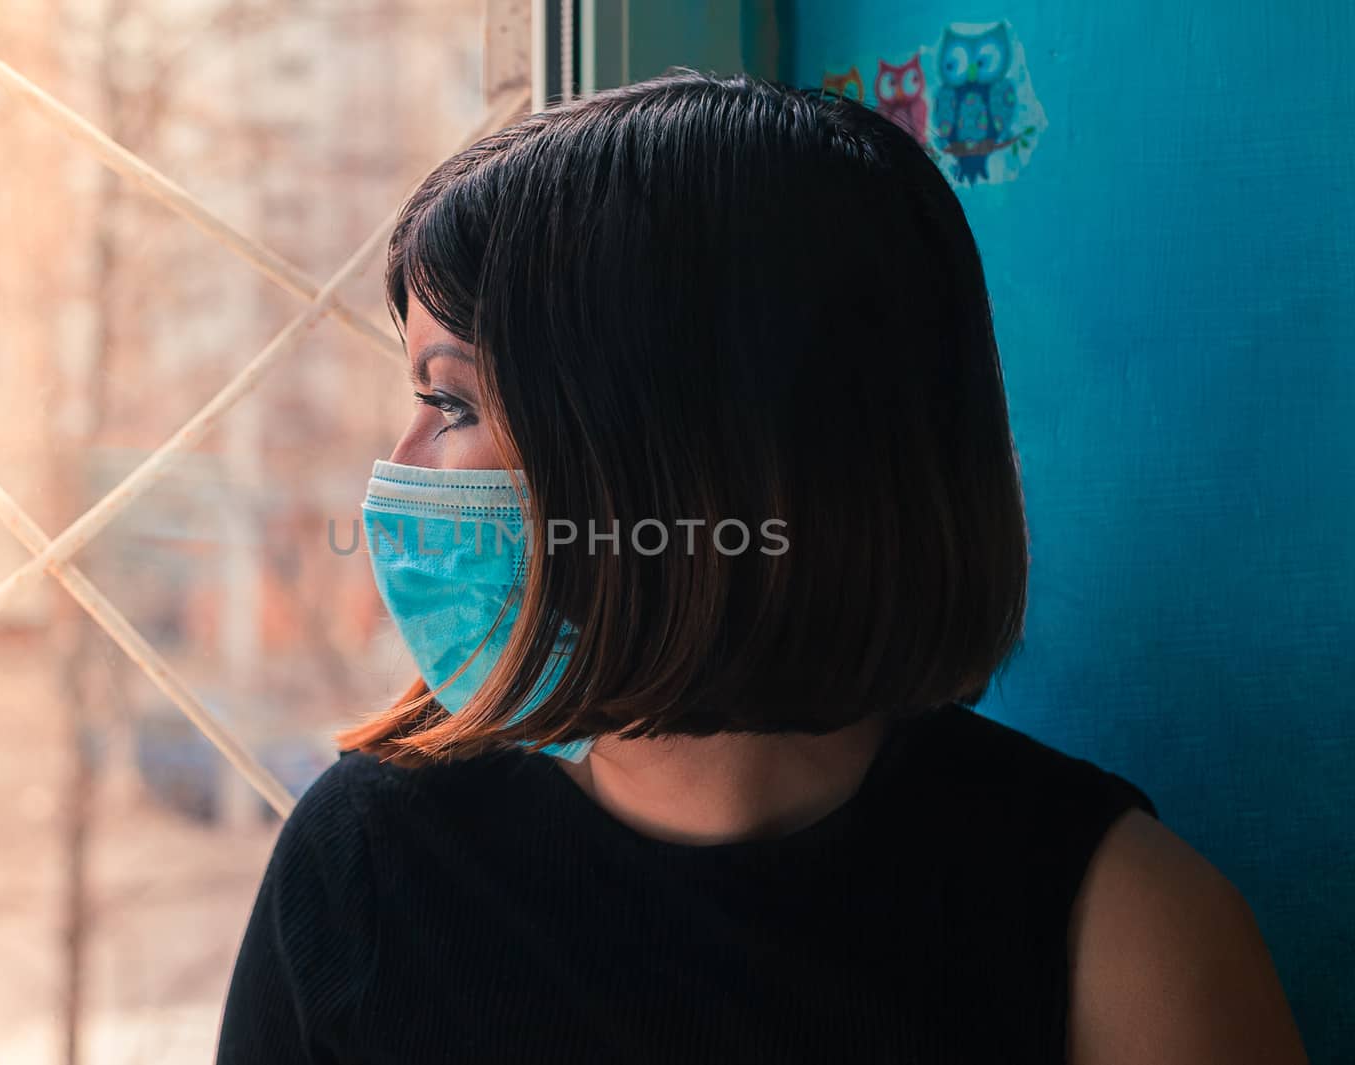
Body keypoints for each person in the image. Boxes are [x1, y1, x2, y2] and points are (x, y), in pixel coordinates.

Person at [217, 71, 1304, 1064]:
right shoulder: (363, 866)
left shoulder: (1122, 929)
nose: (401, 471)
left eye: (450, 400)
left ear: (679, 453)